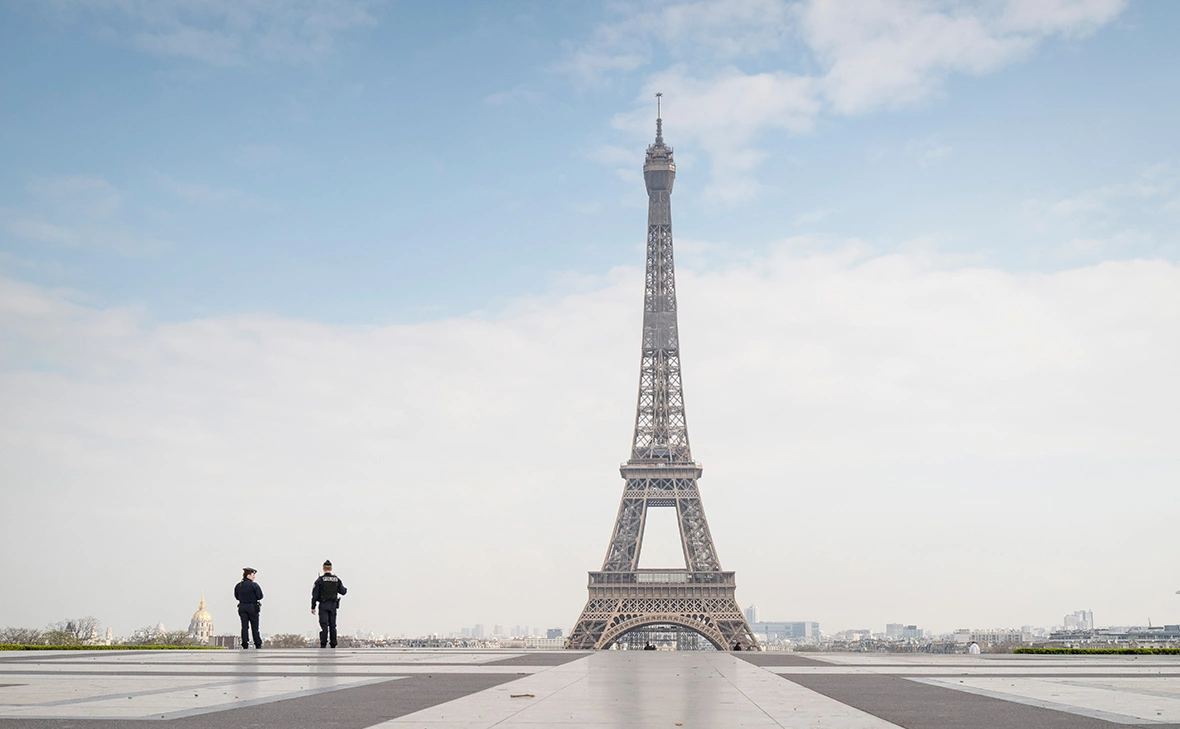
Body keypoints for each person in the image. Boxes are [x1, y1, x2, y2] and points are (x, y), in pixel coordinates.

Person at [311, 559, 348, 648]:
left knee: (324, 625)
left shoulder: (320, 580)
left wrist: (313, 607)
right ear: (331, 568)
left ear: (323, 568)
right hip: (333, 605)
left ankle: (323, 643)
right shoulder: (336, 580)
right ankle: (333, 644)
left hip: (323, 605)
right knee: (332, 625)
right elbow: (343, 591)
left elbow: (315, 595)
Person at [234, 567, 263, 649]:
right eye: (253, 575)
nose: (254, 577)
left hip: (242, 607)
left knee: (244, 626)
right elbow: (260, 596)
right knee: (255, 627)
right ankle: (257, 643)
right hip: (252, 607)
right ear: (248, 575)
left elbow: (236, 597)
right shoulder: (254, 585)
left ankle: (245, 643)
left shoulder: (238, 585)